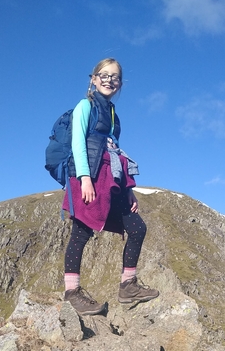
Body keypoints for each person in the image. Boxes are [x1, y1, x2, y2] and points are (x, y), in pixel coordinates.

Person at [62, 58, 159, 315]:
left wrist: (129, 190)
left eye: (115, 77)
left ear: (120, 84)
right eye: (104, 75)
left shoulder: (114, 115)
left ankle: (128, 285)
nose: (109, 80)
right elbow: (77, 143)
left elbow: (116, 154)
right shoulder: (85, 106)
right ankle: (71, 292)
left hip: (111, 183)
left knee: (137, 227)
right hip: (89, 180)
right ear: (93, 79)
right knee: (81, 232)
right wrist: (84, 179)